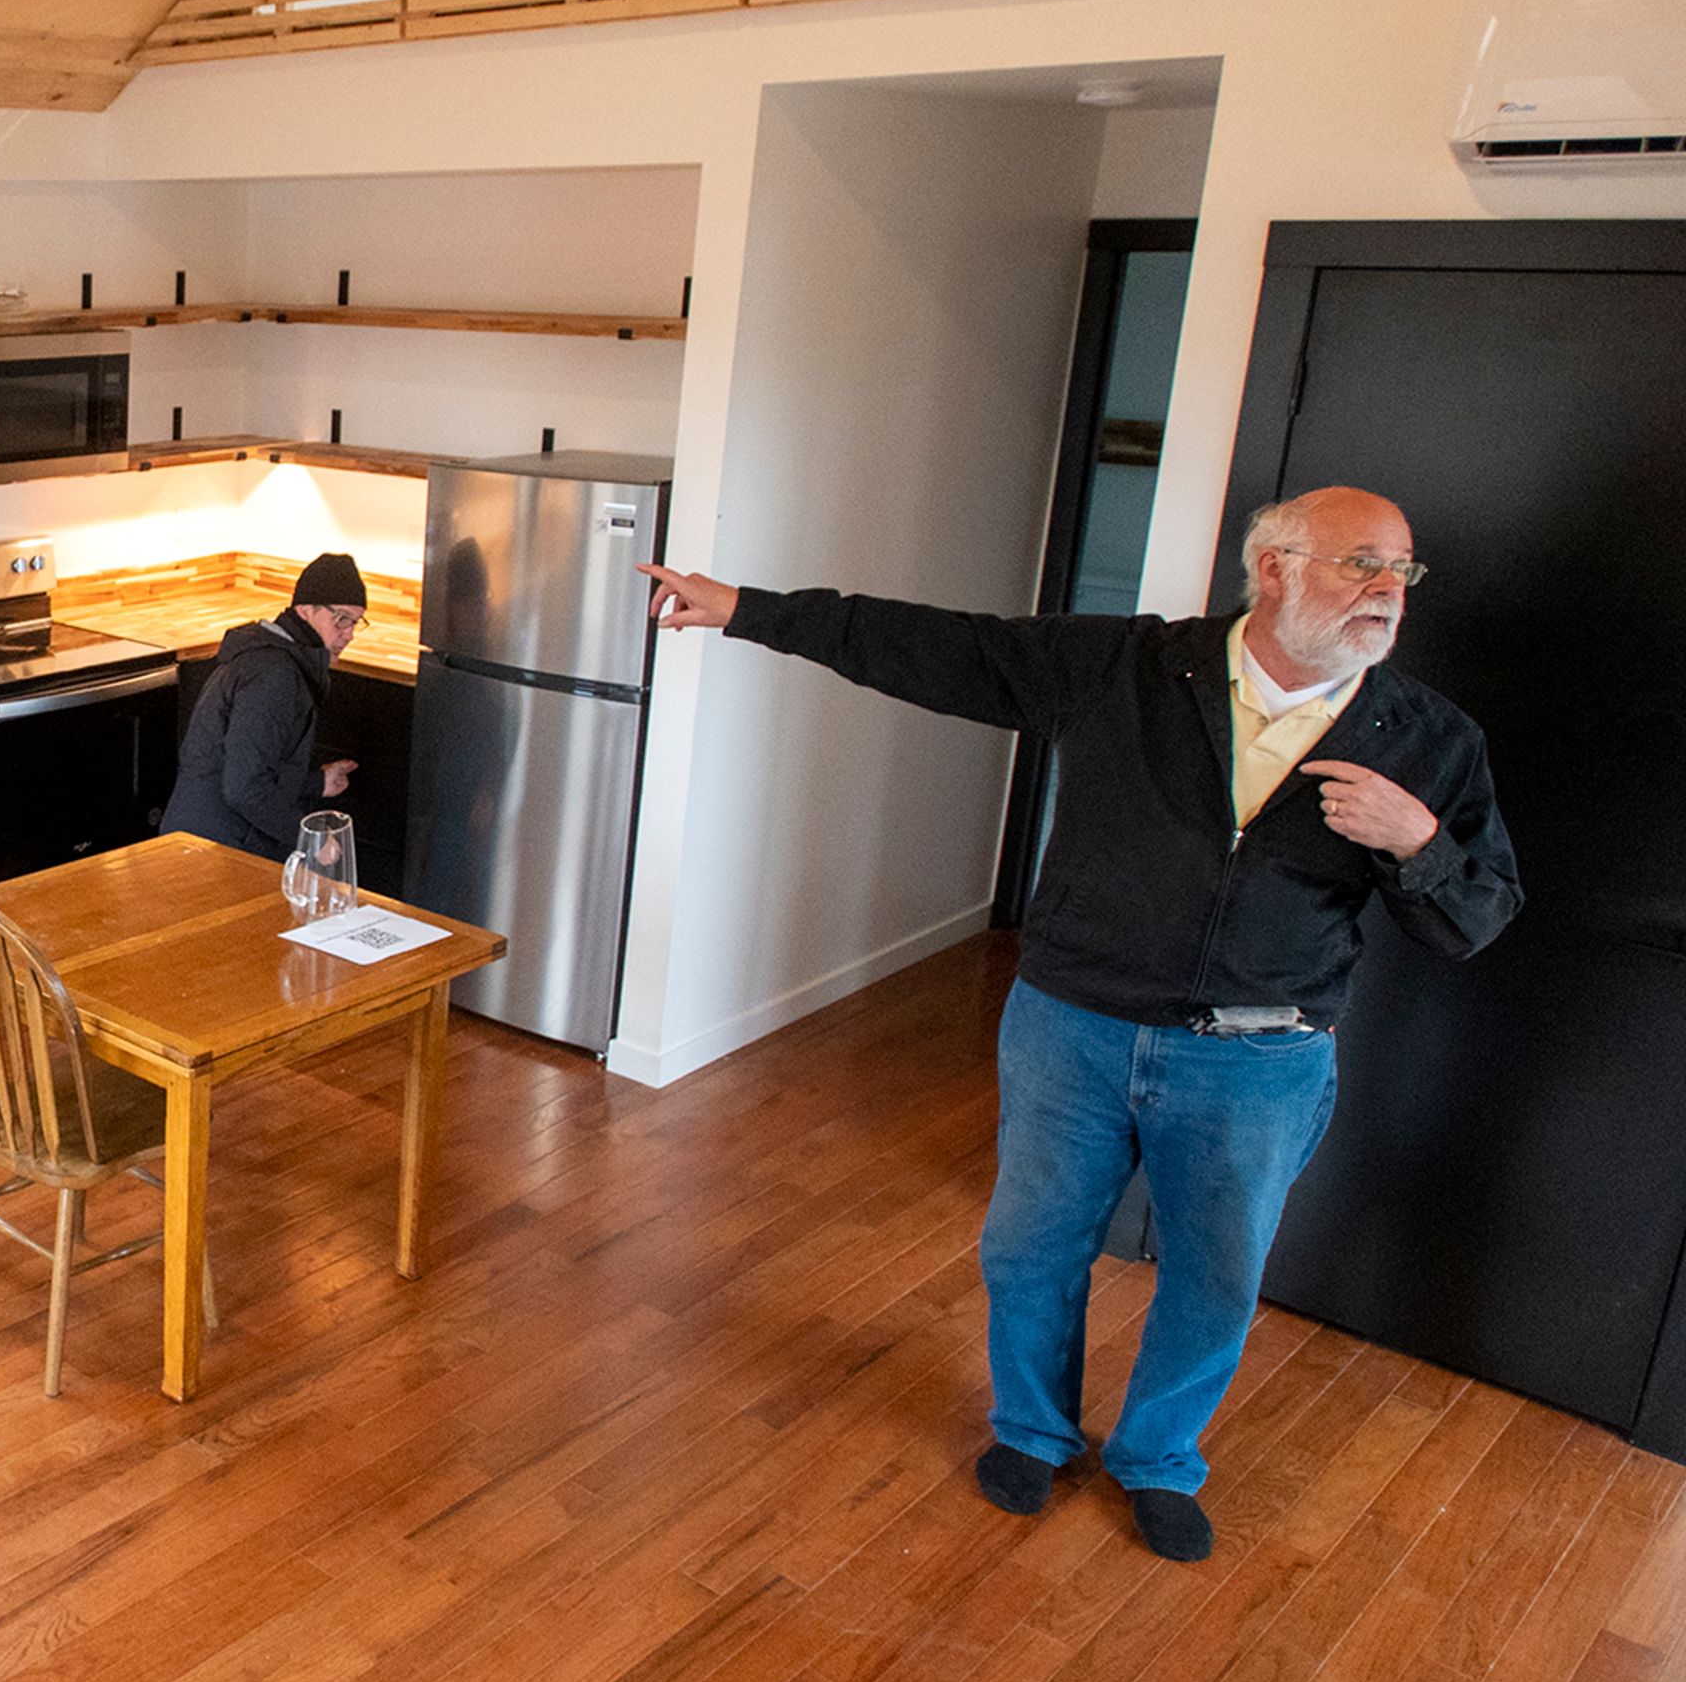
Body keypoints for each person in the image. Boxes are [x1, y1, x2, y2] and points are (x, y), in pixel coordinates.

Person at [639, 488, 1518, 1562]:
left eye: (1402, 573)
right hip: (1074, 1026)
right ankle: (1033, 1432)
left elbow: (1475, 918)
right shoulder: (1132, 668)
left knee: (1216, 1275)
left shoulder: (1427, 740)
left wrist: (1416, 838)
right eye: (1360, 565)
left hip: (1259, 1057)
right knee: (1030, 1244)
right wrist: (745, 609)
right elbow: (941, 648)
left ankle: (1157, 1460)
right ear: (1277, 567)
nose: (1388, 592)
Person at [166, 551, 368, 860]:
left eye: (356, 622)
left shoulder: (282, 663)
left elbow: (255, 765)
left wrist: (317, 782)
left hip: (213, 842)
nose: (349, 634)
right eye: (341, 619)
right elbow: (244, 788)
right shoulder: (274, 676)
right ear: (305, 609)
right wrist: (310, 840)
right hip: (212, 852)